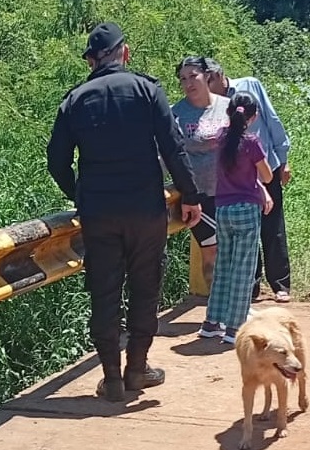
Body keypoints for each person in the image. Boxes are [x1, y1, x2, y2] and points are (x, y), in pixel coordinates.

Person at [47, 22, 202, 402]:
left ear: (91, 61)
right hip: (145, 210)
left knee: (104, 293)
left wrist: (80, 195)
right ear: (126, 53)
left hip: (99, 213)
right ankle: (137, 369)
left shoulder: (75, 100)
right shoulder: (147, 90)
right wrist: (190, 195)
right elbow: (173, 147)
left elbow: (57, 162)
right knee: (145, 289)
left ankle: (112, 378)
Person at [204, 58, 293, 304]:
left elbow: (273, 120)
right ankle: (251, 287)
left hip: (266, 167)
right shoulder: (210, 104)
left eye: (208, 81)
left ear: (219, 76)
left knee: (273, 227)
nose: (205, 87)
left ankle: (280, 284)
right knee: (245, 233)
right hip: (238, 178)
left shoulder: (250, 85)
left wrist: (284, 160)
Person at [200, 91, 274, 344]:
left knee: (223, 266)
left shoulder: (221, 137)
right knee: (243, 269)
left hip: (222, 209)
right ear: (253, 117)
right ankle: (234, 328)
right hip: (246, 209)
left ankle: (212, 322)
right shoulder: (251, 142)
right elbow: (267, 176)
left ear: (229, 113)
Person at [170, 57, 230, 291]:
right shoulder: (176, 114)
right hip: (199, 196)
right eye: (183, 79)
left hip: (232, 191)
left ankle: (235, 303)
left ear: (207, 76)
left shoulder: (227, 107)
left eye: (193, 76)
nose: (188, 83)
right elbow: (168, 155)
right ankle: (215, 304)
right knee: (211, 251)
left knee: (233, 252)